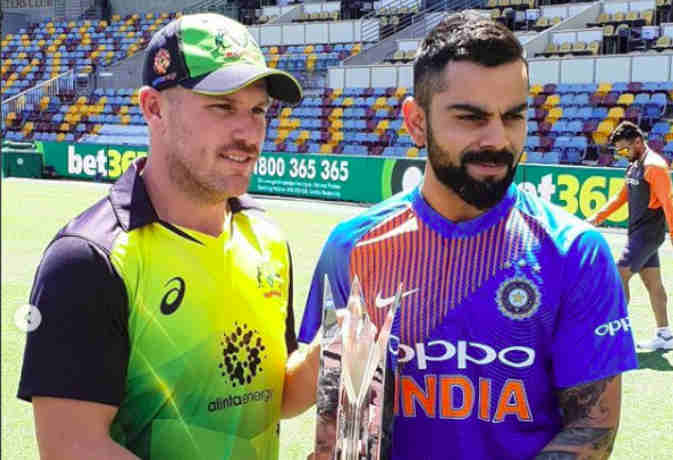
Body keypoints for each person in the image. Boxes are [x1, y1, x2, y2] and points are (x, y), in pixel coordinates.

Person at [298, 11, 638, 460]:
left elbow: (592, 430)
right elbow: (340, 422)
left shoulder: (576, 252)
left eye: (513, 116)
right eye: (471, 117)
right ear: (416, 122)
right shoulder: (350, 248)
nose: (498, 139)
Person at [17, 13, 319, 460]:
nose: (249, 133)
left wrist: (333, 354)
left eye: (258, 110)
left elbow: (271, 393)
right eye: (222, 107)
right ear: (153, 108)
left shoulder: (267, 237)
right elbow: (72, 446)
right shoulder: (88, 260)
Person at [587, 121, 673, 351]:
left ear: (638, 141)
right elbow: (621, 197)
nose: (622, 154)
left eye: (625, 149)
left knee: (618, 274)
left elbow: (668, 203)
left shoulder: (655, 166)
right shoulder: (634, 165)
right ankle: (665, 335)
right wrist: (596, 218)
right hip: (638, 233)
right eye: (619, 151)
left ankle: (616, 334)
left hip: (648, 234)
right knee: (653, 282)